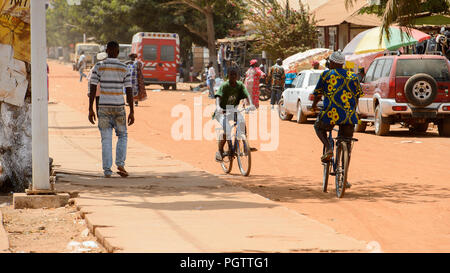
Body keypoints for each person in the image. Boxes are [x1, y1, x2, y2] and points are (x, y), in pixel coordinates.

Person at [88, 41, 134, 178]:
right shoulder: (124, 67)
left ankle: (107, 170)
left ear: (106, 50)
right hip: (119, 107)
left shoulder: (99, 66)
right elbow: (129, 90)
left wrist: (90, 109)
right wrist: (132, 110)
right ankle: (120, 163)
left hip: (103, 107)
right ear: (118, 52)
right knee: (123, 135)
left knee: (106, 139)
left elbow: (92, 88)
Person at [311, 51, 363, 166]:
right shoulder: (353, 76)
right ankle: (344, 175)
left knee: (318, 127)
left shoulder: (326, 75)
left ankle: (329, 148)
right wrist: (353, 110)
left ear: (333, 62)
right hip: (349, 116)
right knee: (347, 143)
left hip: (330, 114)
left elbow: (318, 94)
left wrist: (314, 106)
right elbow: (357, 96)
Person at [214, 68, 256, 162]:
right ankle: (220, 151)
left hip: (232, 110)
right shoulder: (224, 85)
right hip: (222, 111)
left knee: (242, 122)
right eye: (231, 75)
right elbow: (218, 97)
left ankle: (245, 146)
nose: (233, 77)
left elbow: (247, 95)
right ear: (228, 76)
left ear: (237, 76)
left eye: (234, 75)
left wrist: (251, 104)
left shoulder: (240, 85)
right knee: (227, 130)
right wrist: (218, 107)